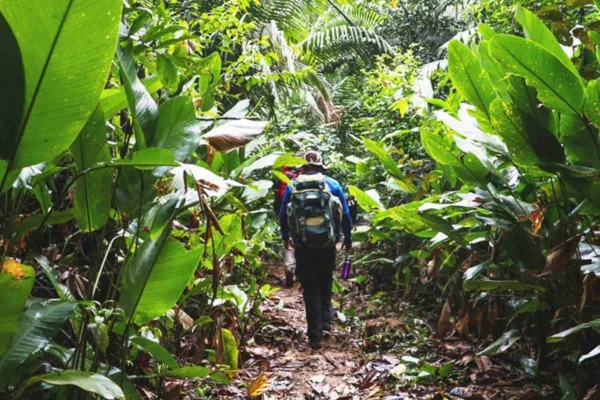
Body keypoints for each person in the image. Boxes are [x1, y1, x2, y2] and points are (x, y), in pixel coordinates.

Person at [279, 151, 352, 349]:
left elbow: (283, 213)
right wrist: (348, 238)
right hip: (327, 244)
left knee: (309, 286)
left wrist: (286, 238)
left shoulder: (294, 185)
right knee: (325, 278)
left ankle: (314, 336)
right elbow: (345, 214)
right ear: (321, 167)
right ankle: (327, 322)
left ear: (302, 167)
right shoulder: (332, 184)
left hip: (303, 244)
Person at [273, 165, 302, 287]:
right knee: (302, 242)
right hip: (305, 217)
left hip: (289, 215)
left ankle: (289, 267)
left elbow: (277, 201)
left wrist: (279, 216)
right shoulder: (303, 178)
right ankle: (301, 271)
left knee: (289, 242)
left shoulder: (283, 179)